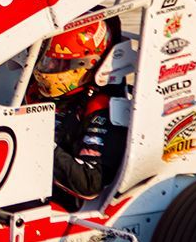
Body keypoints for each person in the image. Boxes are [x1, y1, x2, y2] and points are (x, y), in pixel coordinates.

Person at [25, 20, 126, 209]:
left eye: (58, 63)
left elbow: (89, 183)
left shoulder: (101, 108)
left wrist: (39, 144)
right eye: (45, 60)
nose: (47, 69)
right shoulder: (35, 90)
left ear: (88, 64)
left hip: (62, 209)